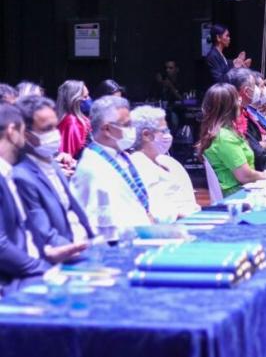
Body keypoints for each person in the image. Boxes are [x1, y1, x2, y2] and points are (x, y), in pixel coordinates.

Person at [0, 104, 83, 295]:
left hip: (33, 268)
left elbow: (22, 237)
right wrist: (41, 268)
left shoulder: (7, 173)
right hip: (14, 282)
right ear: (12, 131)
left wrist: (47, 254)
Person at [13, 96, 93, 257]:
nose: (55, 134)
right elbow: (45, 234)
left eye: (55, 127)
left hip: (87, 244)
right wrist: (81, 251)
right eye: (46, 129)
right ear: (26, 135)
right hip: (66, 256)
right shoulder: (22, 177)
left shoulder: (54, 162)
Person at [70, 96, 153, 232]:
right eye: (126, 125)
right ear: (107, 129)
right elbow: (98, 223)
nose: (132, 130)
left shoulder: (121, 155)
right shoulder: (92, 167)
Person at [197, 83, 266, 197]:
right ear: (229, 107)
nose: (240, 102)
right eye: (237, 99)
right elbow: (245, 176)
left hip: (245, 190)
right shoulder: (224, 138)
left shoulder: (225, 132)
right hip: (238, 195)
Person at [130, 105, 199, 222]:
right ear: (146, 135)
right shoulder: (138, 165)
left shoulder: (168, 161)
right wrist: (180, 215)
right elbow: (152, 210)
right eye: (163, 131)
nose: (168, 135)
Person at [227, 68, 266, 170]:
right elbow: (256, 151)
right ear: (246, 91)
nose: (258, 90)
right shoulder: (234, 117)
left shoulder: (245, 113)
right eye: (255, 86)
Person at [56, 80, 92, 158]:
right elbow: (68, 155)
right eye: (85, 97)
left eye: (88, 96)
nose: (88, 99)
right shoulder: (72, 122)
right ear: (74, 99)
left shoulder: (80, 119)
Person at [155, 60, 184, 131]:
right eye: (166, 68)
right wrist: (159, 85)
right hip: (162, 111)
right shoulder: (163, 81)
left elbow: (183, 99)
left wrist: (171, 87)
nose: (167, 70)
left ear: (176, 69)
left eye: (170, 68)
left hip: (177, 111)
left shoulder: (181, 82)